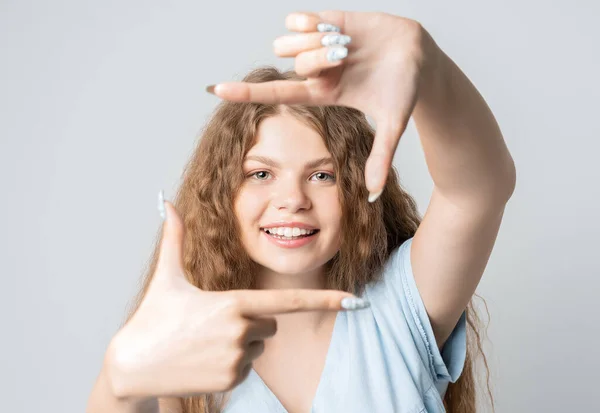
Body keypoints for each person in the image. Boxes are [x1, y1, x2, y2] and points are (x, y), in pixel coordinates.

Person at [87, 10, 515, 413]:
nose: (292, 199)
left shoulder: (400, 309)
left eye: (323, 176)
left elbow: (476, 190)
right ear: (221, 195)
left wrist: (430, 69)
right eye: (260, 174)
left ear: (355, 190)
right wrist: (120, 381)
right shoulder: (191, 350)